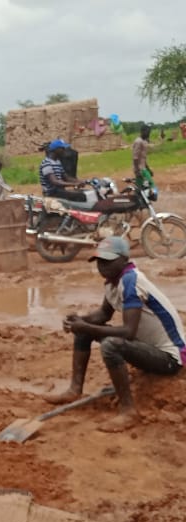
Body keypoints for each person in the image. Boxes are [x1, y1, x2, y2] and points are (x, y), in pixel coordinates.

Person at [45, 235, 184, 431]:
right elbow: (103, 314)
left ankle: (128, 411)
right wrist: (80, 320)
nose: (103, 266)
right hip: (148, 348)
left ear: (124, 260)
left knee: (111, 345)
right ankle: (75, 389)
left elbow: (128, 332)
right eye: (100, 262)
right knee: (85, 332)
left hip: (170, 358)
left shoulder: (131, 281)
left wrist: (85, 326)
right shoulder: (113, 282)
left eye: (108, 261)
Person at [132, 125, 153, 190]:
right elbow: (135, 158)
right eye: (147, 132)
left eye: (149, 132)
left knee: (145, 188)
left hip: (144, 169)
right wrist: (138, 171)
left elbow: (143, 158)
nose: (148, 134)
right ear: (142, 131)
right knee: (148, 186)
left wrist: (148, 169)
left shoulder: (144, 141)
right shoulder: (138, 141)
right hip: (140, 170)